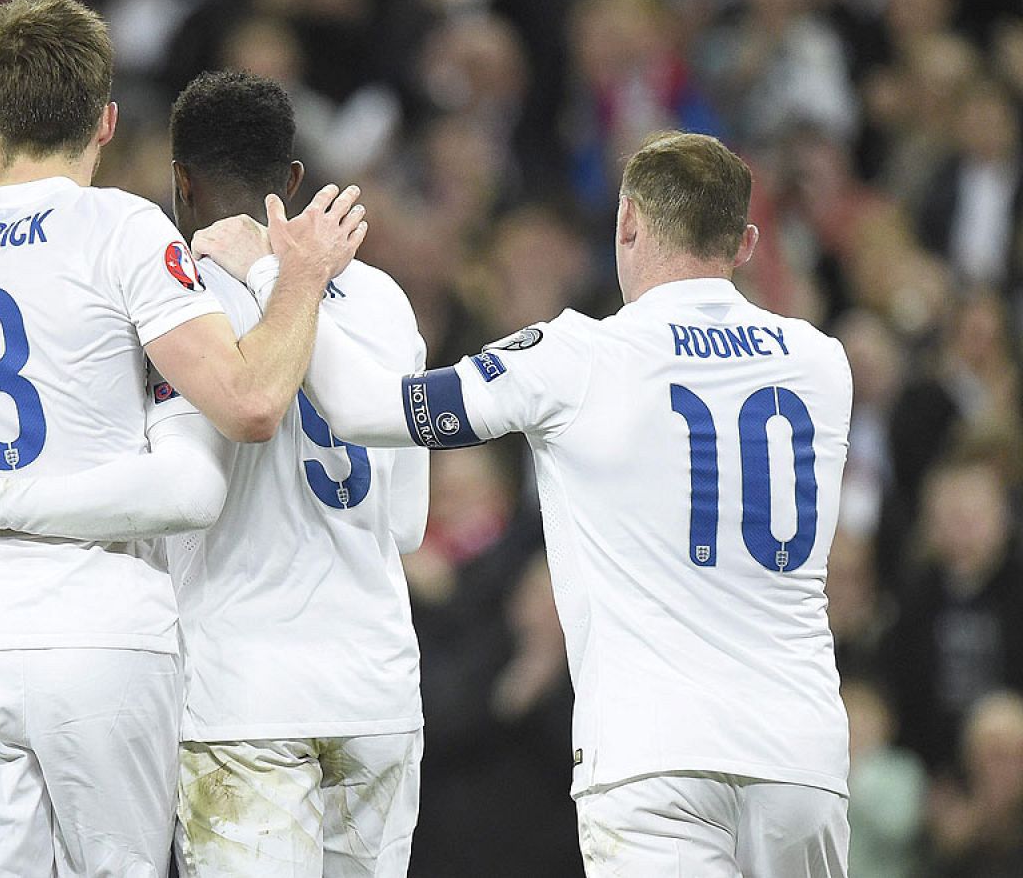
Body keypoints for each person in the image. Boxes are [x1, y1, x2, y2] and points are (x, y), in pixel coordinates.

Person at [204, 131, 853, 876]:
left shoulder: (577, 357)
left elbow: (363, 408)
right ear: (743, 244)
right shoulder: (821, 362)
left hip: (653, 757)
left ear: (629, 224)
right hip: (803, 752)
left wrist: (275, 278)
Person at [0, 0, 366, 877]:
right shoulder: (123, 230)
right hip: (103, 632)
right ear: (107, 119)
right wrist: (301, 282)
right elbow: (250, 402)